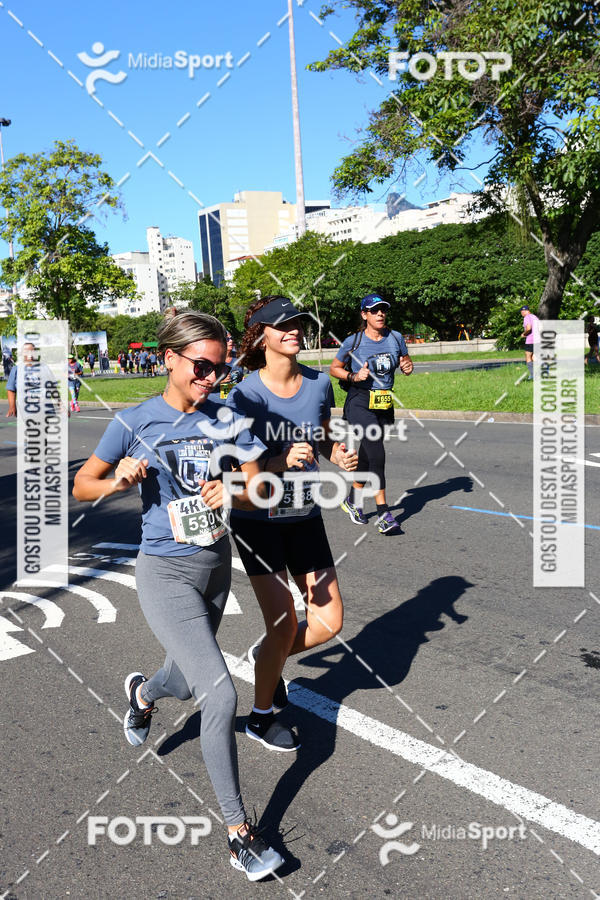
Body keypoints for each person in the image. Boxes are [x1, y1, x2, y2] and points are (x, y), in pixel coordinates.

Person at [72, 310, 284, 881]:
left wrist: (234, 490)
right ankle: (240, 833)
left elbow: (265, 488)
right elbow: (81, 483)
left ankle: (143, 692)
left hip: (216, 565)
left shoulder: (228, 418)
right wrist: (116, 480)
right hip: (163, 573)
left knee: (187, 680)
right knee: (219, 696)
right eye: (201, 366)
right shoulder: (134, 420)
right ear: (169, 358)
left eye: (220, 367)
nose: (211, 378)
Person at [227, 295, 358, 752]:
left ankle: (266, 656)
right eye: (283, 325)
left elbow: (321, 433)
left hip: (303, 513)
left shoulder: (320, 384)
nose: (295, 331)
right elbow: (246, 478)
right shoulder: (243, 396)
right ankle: (261, 718)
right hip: (256, 519)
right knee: (283, 623)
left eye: (299, 323)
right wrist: (281, 460)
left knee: (329, 620)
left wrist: (335, 452)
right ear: (261, 335)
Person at [330, 294, 413, 534]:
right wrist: (354, 376)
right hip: (359, 401)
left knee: (367, 456)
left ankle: (352, 500)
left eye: (383, 310)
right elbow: (334, 368)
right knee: (377, 451)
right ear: (364, 314)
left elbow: (405, 361)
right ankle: (384, 513)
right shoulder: (353, 341)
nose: (380, 314)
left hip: (384, 401)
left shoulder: (395, 337)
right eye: (374, 310)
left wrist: (408, 367)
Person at [520, 305, 540, 380]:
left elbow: (528, 328)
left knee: (528, 356)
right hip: (538, 340)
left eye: (521, 312)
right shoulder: (535, 317)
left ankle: (532, 375)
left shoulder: (527, 317)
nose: (521, 314)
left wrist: (524, 334)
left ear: (524, 311)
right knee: (535, 357)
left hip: (531, 340)